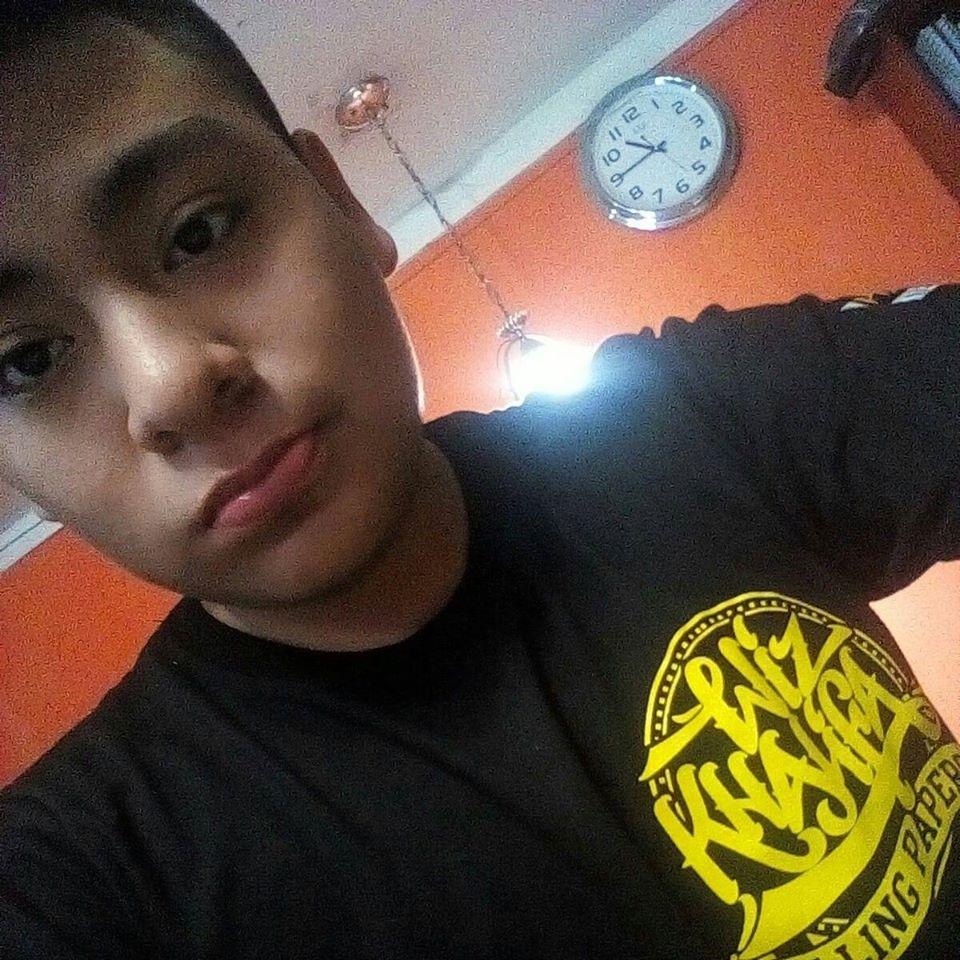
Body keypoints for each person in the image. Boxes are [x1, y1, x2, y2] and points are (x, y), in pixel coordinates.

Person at [0, 2, 956, 958]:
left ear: (343, 203)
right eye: (28, 360)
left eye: (200, 232)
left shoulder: (692, 417)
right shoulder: (86, 875)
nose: (171, 385)